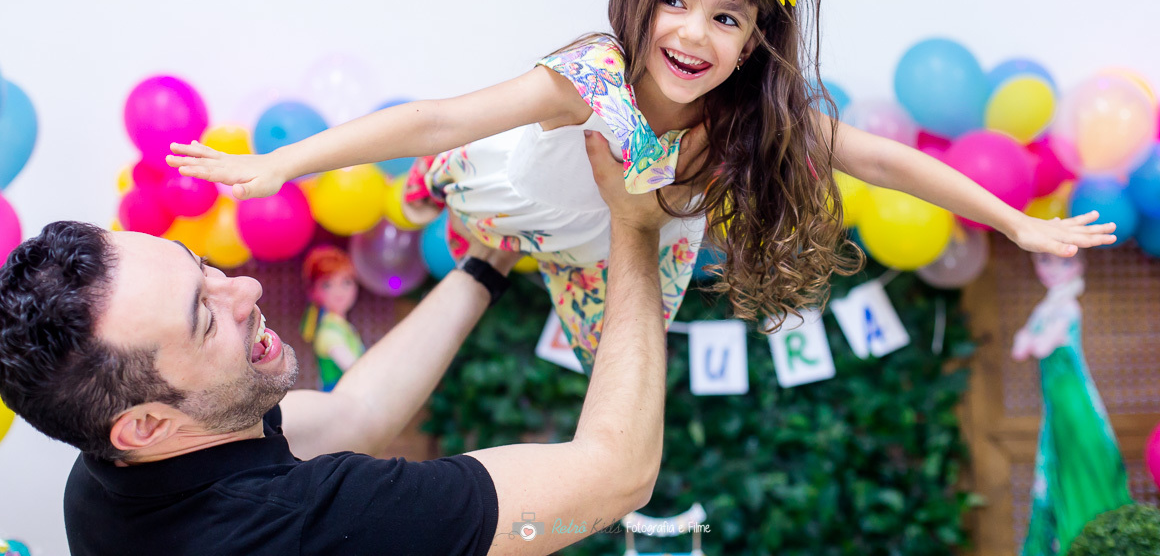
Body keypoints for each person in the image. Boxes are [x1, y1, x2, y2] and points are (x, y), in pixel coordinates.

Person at [167, 0, 1118, 370]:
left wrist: (1016, 223)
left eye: (725, 17)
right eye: (674, 1)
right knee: (456, 186)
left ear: (754, 43)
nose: (689, 33)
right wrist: (278, 164)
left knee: (623, 366)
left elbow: (880, 158)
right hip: (512, 182)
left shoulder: (755, 119)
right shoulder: (596, 74)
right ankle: (466, 222)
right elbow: (437, 116)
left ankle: (516, 260)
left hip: (621, 243)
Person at [0, 132, 676, 555]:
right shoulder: (306, 526)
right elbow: (616, 474)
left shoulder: (106, 479)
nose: (246, 291)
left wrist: (487, 261)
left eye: (199, 264)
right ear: (144, 424)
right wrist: (635, 228)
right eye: (205, 318)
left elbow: (358, 415)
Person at [298, 244, 365, 391]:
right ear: (313, 291)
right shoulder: (329, 332)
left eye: (346, 282)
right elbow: (355, 369)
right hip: (340, 400)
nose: (339, 291)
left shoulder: (343, 327)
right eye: (327, 284)